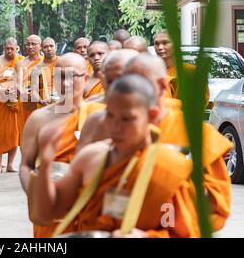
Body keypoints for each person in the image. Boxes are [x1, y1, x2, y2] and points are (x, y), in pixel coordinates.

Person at [77, 53, 232, 231]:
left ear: (161, 86)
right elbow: (86, 195)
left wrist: (170, 173)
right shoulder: (107, 124)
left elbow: (215, 206)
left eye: (141, 85)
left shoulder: (197, 133)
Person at [31, 74, 200, 238]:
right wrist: (45, 164)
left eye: (127, 119)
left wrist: (146, 236)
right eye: (110, 116)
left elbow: (181, 232)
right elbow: (46, 215)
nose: (115, 127)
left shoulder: (170, 168)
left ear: (152, 115)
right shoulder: (91, 157)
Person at [19, 53, 105, 238]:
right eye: (60, 76)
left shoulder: (100, 116)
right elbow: (26, 165)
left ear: (86, 79)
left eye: (73, 76)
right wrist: (38, 198)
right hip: (52, 214)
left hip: (91, 209)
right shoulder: (39, 119)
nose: (66, 83)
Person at [0, 37, 24, 174]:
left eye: (12, 49)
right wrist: (1, 89)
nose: (10, 51)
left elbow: (21, 79)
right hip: (0, 100)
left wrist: (15, 89)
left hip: (15, 99)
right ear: (3, 48)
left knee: (13, 133)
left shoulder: (21, 61)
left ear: (17, 48)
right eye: (7, 48)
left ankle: (10, 164)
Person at [153, 30, 209, 103]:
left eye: (165, 43)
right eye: (156, 44)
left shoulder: (191, 71)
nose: (160, 47)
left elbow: (200, 101)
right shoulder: (150, 71)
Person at [16, 35, 43, 134]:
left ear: (40, 46)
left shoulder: (46, 61)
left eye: (33, 44)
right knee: (27, 133)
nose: (30, 47)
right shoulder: (20, 64)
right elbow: (18, 83)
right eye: (28, 44)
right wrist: (23, 92)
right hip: (26, 100)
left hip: (43, 99)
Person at [31, 37, 59, 108]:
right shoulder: (36, 68)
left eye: (51, 46)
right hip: (44, 105)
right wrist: (41, 101)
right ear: (41, 49)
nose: (49, 49)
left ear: (56, 47)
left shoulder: (64, 63)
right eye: (45, 47)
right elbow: (34, 91)